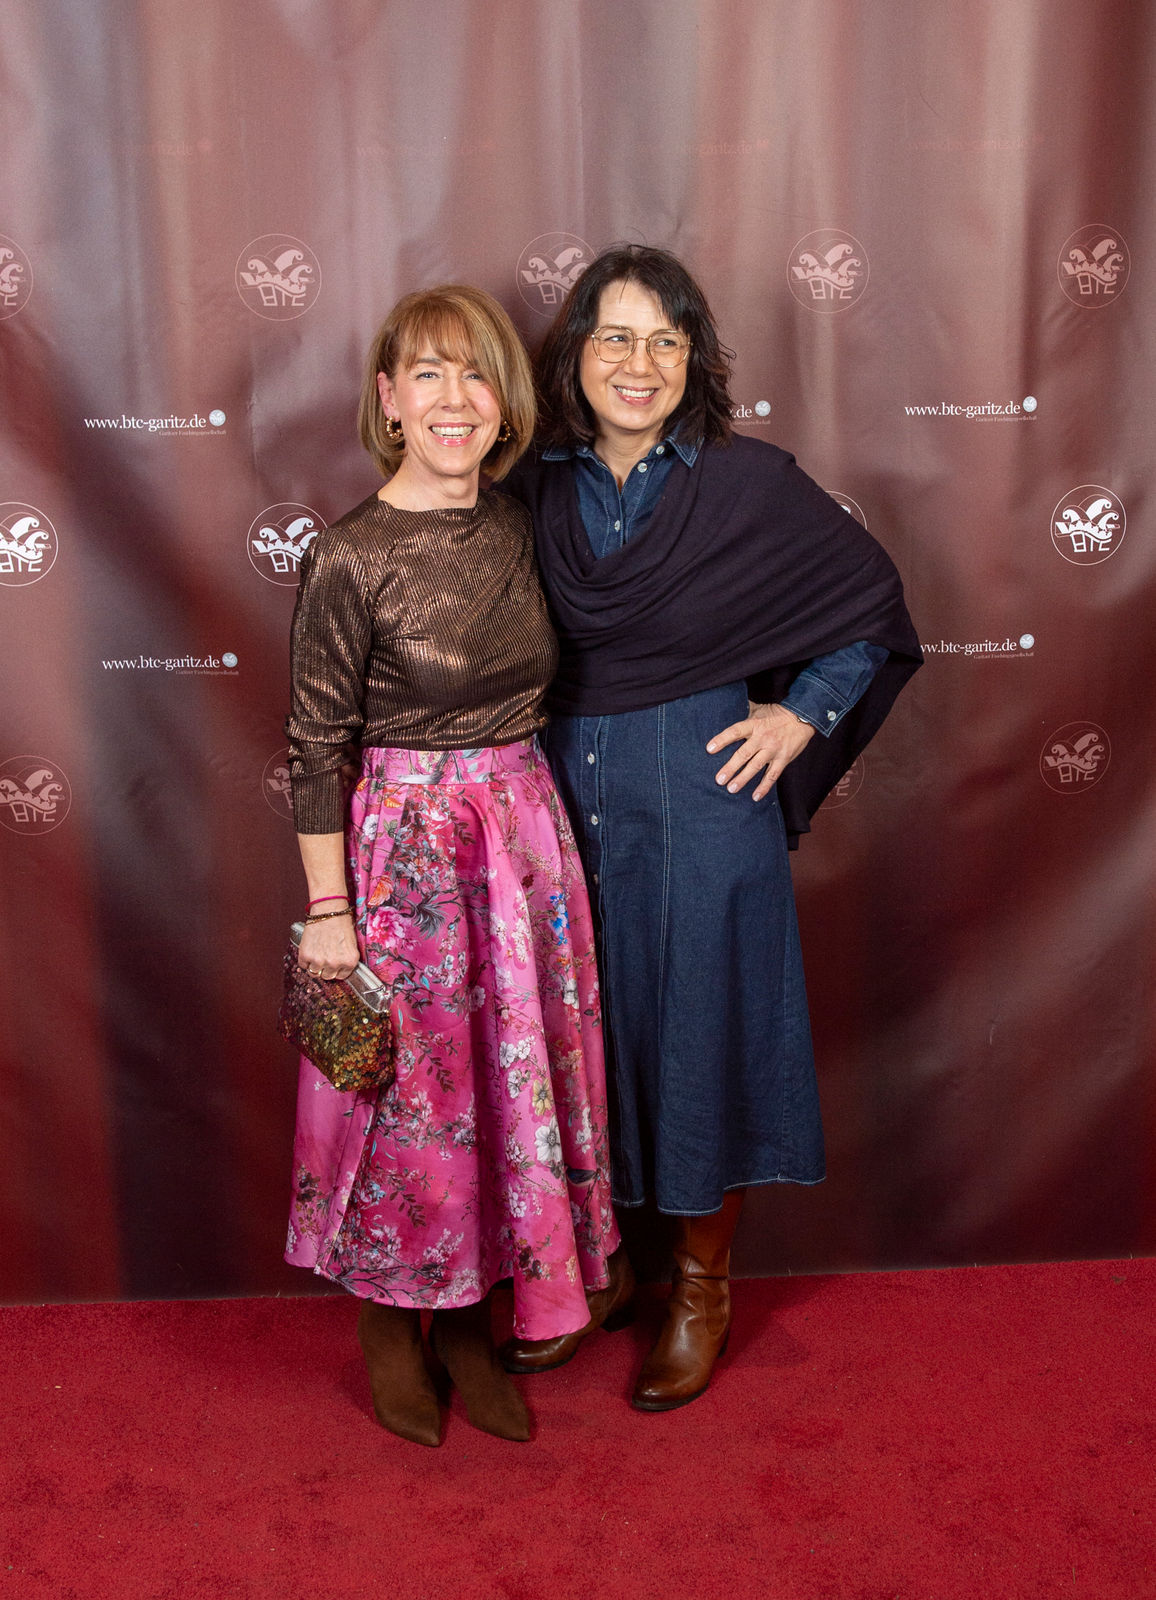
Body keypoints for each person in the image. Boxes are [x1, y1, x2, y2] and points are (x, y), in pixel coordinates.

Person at [501, 245, 921, 1411]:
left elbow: (872, 607)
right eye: (615, 337)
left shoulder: (749, 484)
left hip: (701, 809)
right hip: (559, 812)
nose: (639, 363)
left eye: (666, 340)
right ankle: (600, 1272)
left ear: (694, 360)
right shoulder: (528, 487)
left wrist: (804, 711)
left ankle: (699, 1286)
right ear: (575, 354)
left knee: (702, 1037)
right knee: (578, 1046)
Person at [282, 284, 623, 1447]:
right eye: (425, 373)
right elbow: (314, 744)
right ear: (387, 399)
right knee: (413, 1100)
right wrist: (330, 910)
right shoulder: (349, 554)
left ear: (504, 400)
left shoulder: (517, 525)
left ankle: (473, 1318)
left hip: (522, 839)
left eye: (474, 372)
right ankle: (391, 1321)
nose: (453, 398)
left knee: (503, 1088)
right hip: (407, 858)